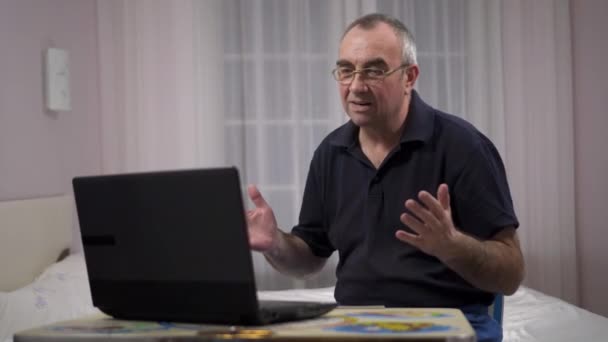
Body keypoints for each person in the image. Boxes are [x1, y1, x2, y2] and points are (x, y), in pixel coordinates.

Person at [245, 13, 524, 342]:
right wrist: (275, 243)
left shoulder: (464, 147)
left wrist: (452, 246)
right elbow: (308, 259)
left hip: (449, 322)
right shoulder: (330, 153)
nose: (356, 85)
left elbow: (511, 274)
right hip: (355, 326)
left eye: (374, 70)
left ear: (409, 76)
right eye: (346, 70)